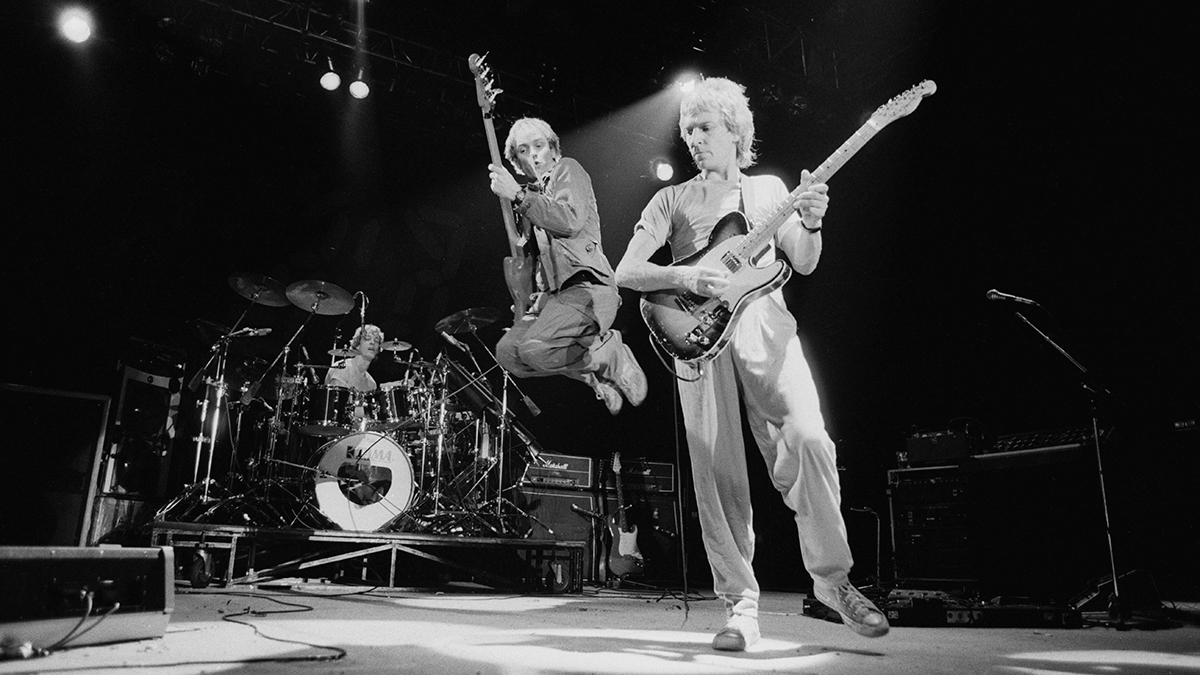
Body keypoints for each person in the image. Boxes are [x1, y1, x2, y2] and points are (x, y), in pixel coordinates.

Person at [614, 77, 888, 650]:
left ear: (736, 130)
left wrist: (810, 221)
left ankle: (834, 583)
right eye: (688, 128)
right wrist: (684, 276)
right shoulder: (673, 199)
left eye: (705, 127)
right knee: (717, 474)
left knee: (810, 440)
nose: (693, 138)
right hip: (696, 333)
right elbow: (626, 271)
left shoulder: (770, 191)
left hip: (765, 328)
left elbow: (805, 262)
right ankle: (739, 607)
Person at [486, 117, 646, 415]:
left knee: (535, 349)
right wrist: (533, 295)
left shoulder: (567, 169)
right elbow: (534, 258)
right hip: (556, 299)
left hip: (587, 288)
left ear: (553, 149)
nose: (534, 154)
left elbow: (569, 220)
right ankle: (596, 377)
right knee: (508, 354)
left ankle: (611, 353)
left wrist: (519, 196)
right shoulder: (530, 201)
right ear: (516, 161)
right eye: (524, 150)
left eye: (539, 145)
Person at [325, 324, 383, 393]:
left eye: (376, 341)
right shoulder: (342, 368)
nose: (372, 342)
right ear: (357, 344)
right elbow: (336, 402)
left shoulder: (372, 384)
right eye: (367, 338)